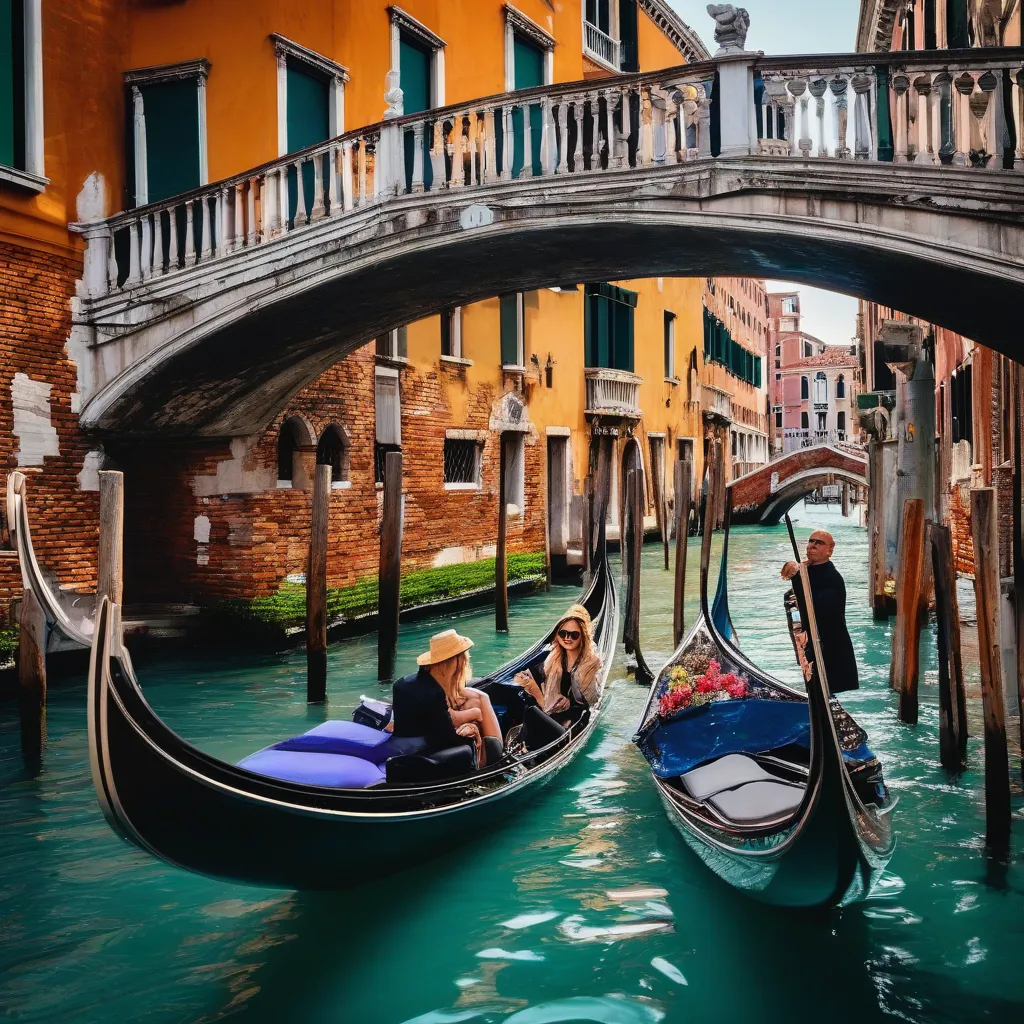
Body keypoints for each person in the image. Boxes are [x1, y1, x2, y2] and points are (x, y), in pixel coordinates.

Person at [392, 629, 503, 766]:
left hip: (401, 744)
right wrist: (473, 729)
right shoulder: (434, 694)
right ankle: (496, 762)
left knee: (476, 697)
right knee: (481, 700)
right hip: (424, 752)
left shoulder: (402, 683)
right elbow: (449, 738)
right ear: (455, 662)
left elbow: (434, 720)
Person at [781, 530, 859, 693]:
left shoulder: (832, 578)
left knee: (825, 686)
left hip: (827, 644)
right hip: (810, 640)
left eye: (819, 543)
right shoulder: (805, 569)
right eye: (811, 541)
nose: (813, 545)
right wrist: (794, 568)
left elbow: (823, 611)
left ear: (829, 551)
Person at [513, 604, 603, 720]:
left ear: (583, 636)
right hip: (552, 715)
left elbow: (591, 703)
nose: (567, 638)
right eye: (563, 633)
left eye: (574, 635)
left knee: (532, 714)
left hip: (574, 721)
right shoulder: (553, 659)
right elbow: (525, 676)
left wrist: (569, 702)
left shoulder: (591, 663)